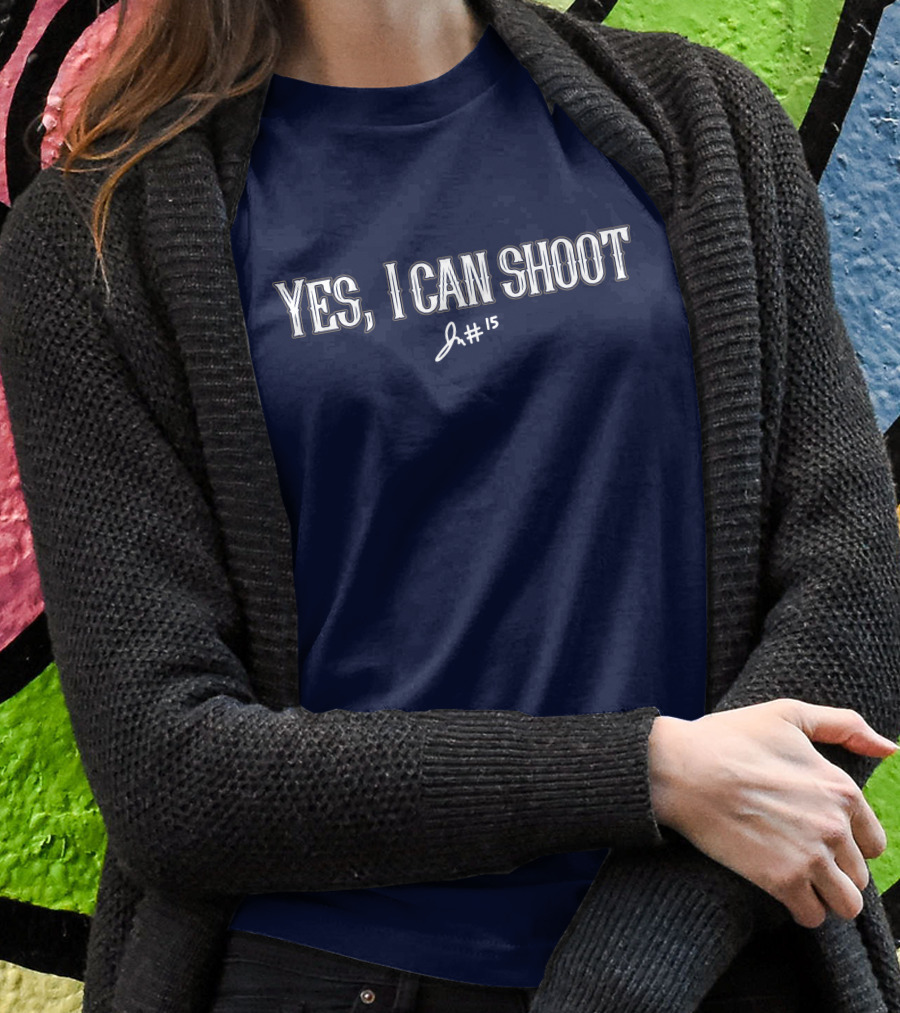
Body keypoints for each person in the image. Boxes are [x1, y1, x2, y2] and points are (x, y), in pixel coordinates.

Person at [1, 0, 899, 1010]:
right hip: (338, 979)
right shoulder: (100, 239)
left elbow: (854, 596)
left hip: (712, 965)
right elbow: (171, 772)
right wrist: (646, 773)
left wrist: (632, 965)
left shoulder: (704, 127)